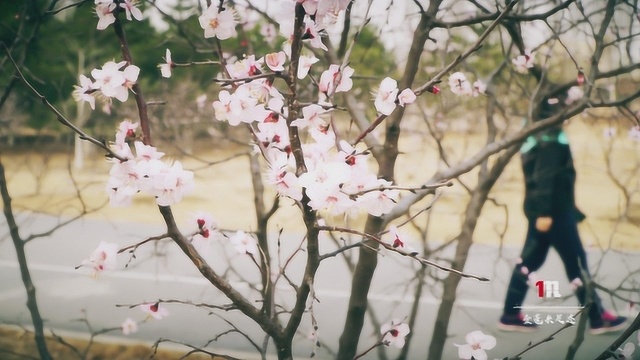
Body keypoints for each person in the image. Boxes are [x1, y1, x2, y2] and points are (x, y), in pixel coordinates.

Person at [497, 91, 627, 334]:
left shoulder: (538, 131)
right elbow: (546, 176)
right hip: (553, 212)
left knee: (530, 261)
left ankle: (510, 314)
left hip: (548, 210)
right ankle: (598, 318)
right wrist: (545, 213)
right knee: (577, 263)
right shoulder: (550, 136)